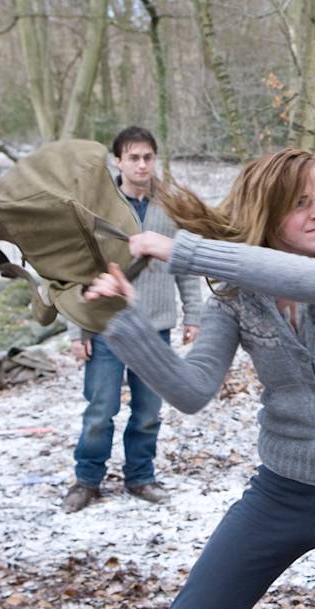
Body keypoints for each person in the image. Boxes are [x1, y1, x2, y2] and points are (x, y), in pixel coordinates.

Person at [84, 148, 315, 609]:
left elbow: (309, 283)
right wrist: (126, 318)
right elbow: (192, 389)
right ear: (267, 212)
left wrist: (185, 251)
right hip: (279, 493)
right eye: (300, 204)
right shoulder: (236, 300)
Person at [63, 126, 203, 513]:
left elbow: (186, 266)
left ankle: (140, 477)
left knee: (147, 412)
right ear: (119, 161)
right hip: (107, 324)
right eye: (134, 157)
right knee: (100, 408)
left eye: (148, 157)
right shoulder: (99, 208)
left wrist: (193, 314)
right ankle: (86, 480)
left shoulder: (171, 207)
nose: (142, 164)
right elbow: (77, 270)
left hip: (156, 326)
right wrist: (78, 328)